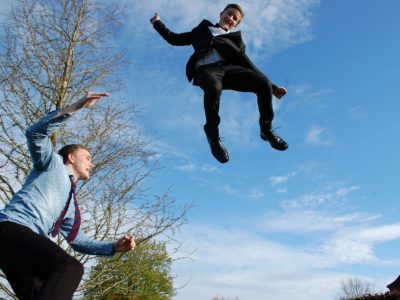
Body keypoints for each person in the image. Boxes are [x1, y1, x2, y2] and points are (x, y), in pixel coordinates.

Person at [0, 92, 136, 300]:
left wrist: (113, 246)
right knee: (69, 267)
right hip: (11, 228)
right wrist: (76, 106)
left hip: (17, 249)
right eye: (88, 158)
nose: (92, 163)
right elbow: (35, 134)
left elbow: (77, 240)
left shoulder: (70, 204)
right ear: (71, 157)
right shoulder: (52, 164)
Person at [150, 3, 289, 164]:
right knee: (212, 85)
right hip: (206, 71)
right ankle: (213, 137)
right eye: (229, 14)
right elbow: (174, 38)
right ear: (221, 13)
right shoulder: (201, 31)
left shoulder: (235, 41)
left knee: (262, 83)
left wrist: (273, 87)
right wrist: (157, 23)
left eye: (234, 19)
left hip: (229, 71)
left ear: (236, 24)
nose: (230, 19)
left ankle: (266, 130)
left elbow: (247, 63)